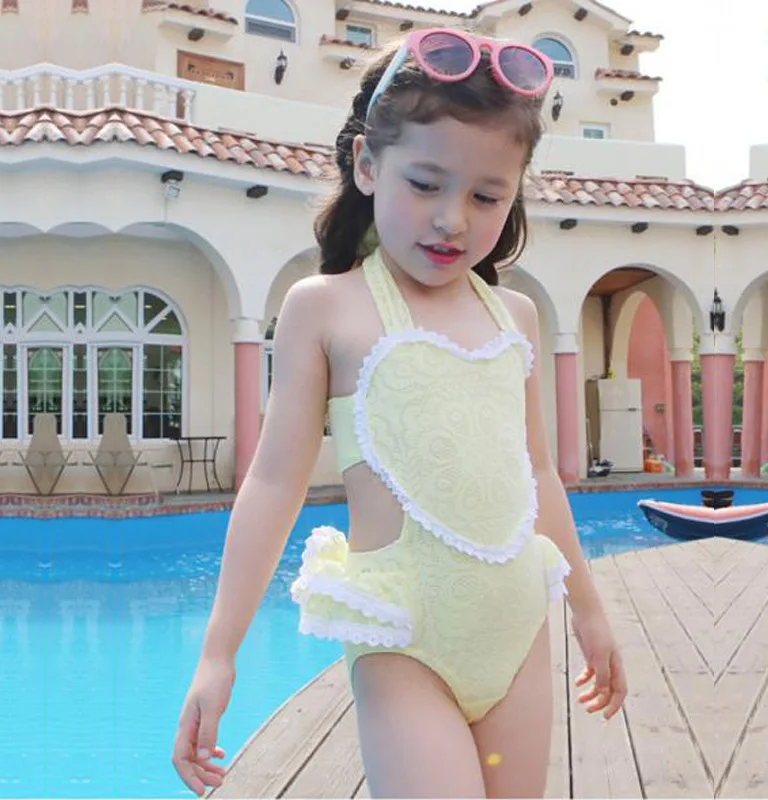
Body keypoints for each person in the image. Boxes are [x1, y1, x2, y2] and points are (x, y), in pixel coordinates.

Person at [172, 27, 627, 798]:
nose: (453, 218)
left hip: (517, 630)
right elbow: (274, 482)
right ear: (367, 164)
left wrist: (590, 610)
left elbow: (539, 475)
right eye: (425, 184)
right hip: (403, 641)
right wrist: (219, 653)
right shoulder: (326, 308)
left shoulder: (513, 317)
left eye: (486, 196)